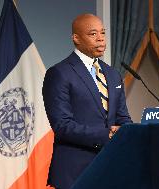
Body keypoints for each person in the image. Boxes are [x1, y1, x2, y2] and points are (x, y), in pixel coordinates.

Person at [42, 13, 132, 189]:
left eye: (103, 33)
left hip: (110, 168)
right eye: (93, 34)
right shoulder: (59, 73)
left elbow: (123, 117)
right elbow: (62, 126)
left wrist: (129, 131)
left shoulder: (113, 74)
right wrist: (106, 135)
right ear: (76, 38)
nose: (100, 39)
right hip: (75, 172)